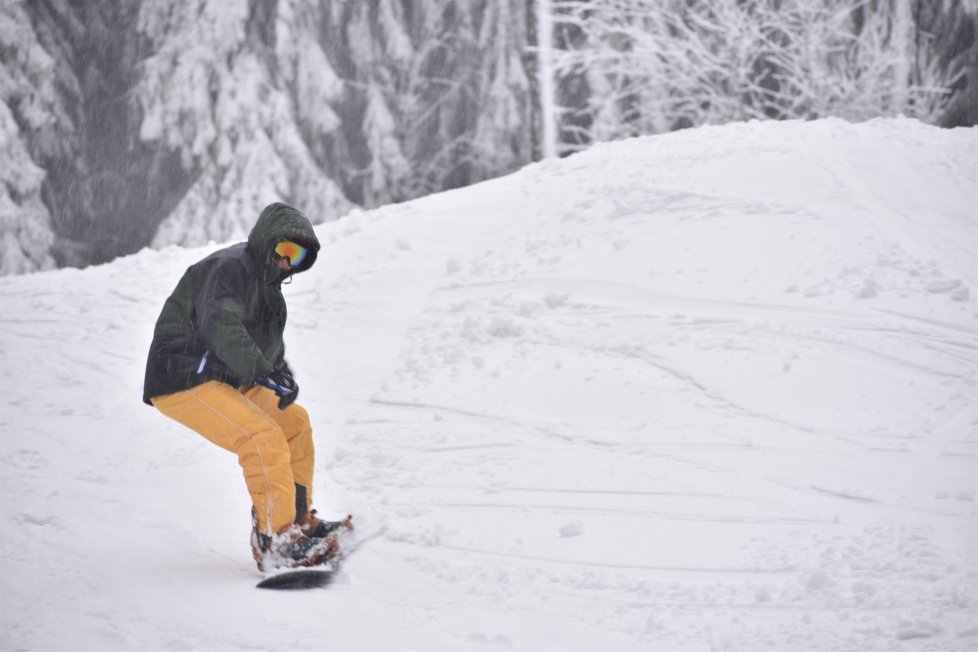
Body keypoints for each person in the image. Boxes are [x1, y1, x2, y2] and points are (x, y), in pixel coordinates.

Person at [143, 202, 350, 571]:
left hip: (226, 376)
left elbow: (265, 346)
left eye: (298, 255)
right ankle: (276, 540)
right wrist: (259, 369)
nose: (288, 262)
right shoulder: (231, 268)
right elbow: (222, 323)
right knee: (260, 436)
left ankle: (298, 522)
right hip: (182, 373)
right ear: (267, 242)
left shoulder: (271, 294)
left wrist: (278, 372)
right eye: (284, 250)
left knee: (294, 424)